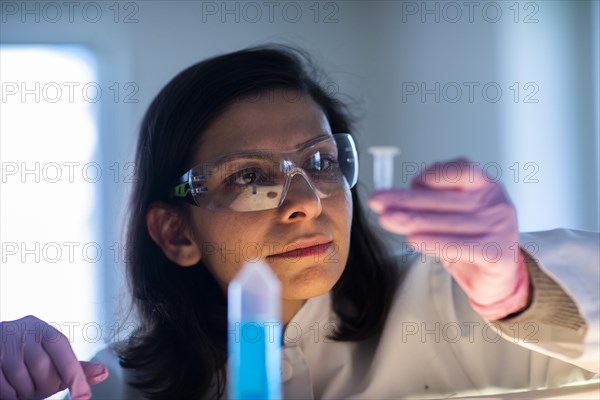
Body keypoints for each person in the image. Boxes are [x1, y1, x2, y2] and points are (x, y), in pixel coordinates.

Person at [1, 45, 598, 400]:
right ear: (176, 233)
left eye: (320, 163)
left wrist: (523, 294)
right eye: (246, 177)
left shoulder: (454, 305)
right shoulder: (110, 384)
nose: (304, 202)